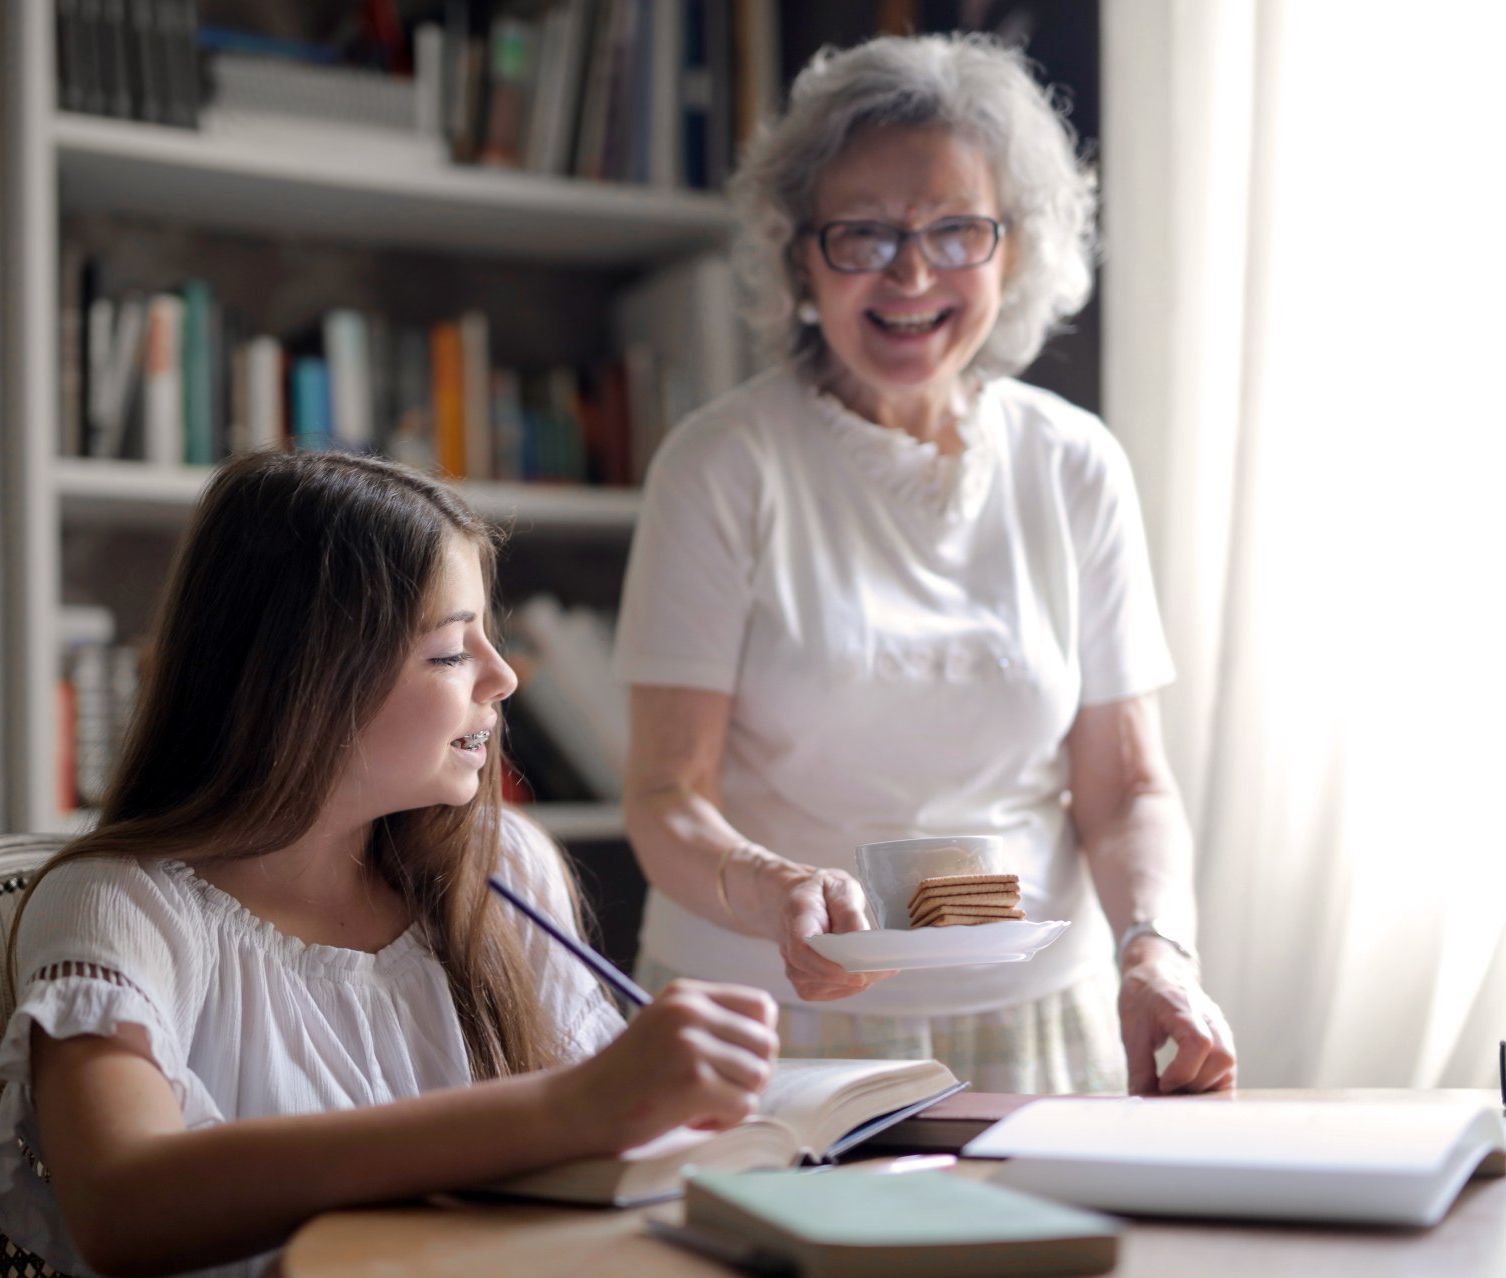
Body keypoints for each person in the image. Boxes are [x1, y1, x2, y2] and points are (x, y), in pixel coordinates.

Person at [614, 33, 1236, 1096]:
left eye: (956, 230)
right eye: (863, 233)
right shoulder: (721, 465)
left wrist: (1156, 950)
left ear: (1015, 249)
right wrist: (773, 892)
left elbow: (1128, 786)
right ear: (798, 254)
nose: (910, 273)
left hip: (1036, 1012)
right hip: (759, 1017)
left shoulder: (1074, 463)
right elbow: (668, 795)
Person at [0, 451, 778, 1278]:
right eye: (449, 654)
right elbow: (122, 1207)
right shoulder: (120, 907)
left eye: (489, 636)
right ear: (305, 679)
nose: (505, 676)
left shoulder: (503, 868)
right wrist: (568, 1108)